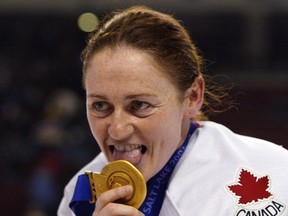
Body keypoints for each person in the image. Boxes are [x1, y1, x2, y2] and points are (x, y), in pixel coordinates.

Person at [58, 5, 288, 216]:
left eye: (139, 105)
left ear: (193, 97)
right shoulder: (80, 196)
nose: (117, 130)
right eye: (100, 106)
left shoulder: (274, 171)